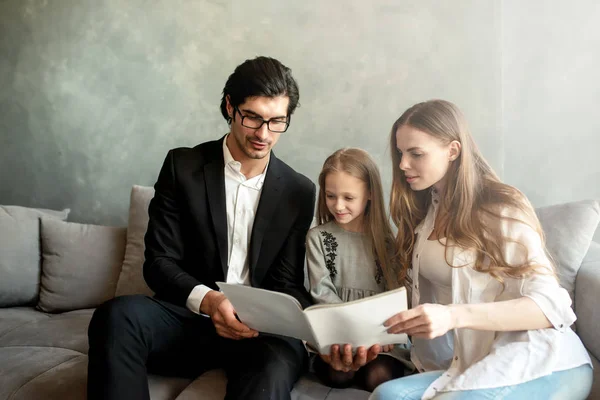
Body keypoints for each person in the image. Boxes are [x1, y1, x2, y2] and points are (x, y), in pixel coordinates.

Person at [87, 56, 316, 400]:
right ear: (229, 106)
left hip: (261, 335)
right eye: (252, 117)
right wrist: (209, 301)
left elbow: (287, 283)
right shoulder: (183, 166)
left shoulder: (299, 191)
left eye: (277, 122)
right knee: (116, 316)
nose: (264, 134)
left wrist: (281, 317)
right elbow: (159, 262)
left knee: (272, 370)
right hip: (190, 321)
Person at [370, 99, 593, 400]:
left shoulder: (500, 209)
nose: (402, 165)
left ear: (452, 151)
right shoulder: (425, 213)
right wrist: (371, 336)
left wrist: (452, 316)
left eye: (416, 154)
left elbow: (552, 307)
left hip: (541, 360)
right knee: (387, 396)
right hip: (473, 361)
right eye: (400, 153)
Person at [306, 148, 411, 392]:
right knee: (338, 375)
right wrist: (348, 334)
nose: (338, 205)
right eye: (331, 196)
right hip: (337, 333)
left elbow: (395, 295)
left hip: (379, 337)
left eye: (348, 198)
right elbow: (321, 291)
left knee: (378, 376)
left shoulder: (388, 242)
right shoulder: (317, 238)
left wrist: (378, 336)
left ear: (370, 194)